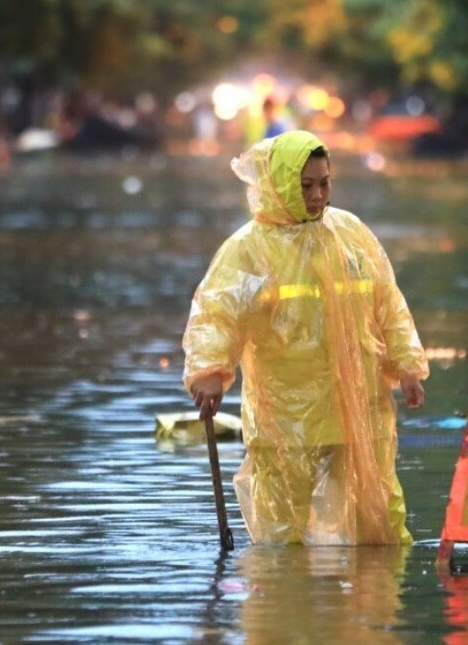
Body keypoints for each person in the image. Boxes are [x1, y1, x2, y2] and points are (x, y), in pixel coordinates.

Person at [183, 130, 428, 545]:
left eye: (324, 183)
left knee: (379, 525)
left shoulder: (350, 234)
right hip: (286, 415)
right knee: (283, 533)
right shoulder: (248, 249)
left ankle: (374, 607)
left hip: (358, 406)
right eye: (306, 186)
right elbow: (218, 314)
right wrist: (209, 371)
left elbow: (388, 304)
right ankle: (285, 605)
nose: (317, 196)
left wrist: (406, 366)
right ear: (279, 186)